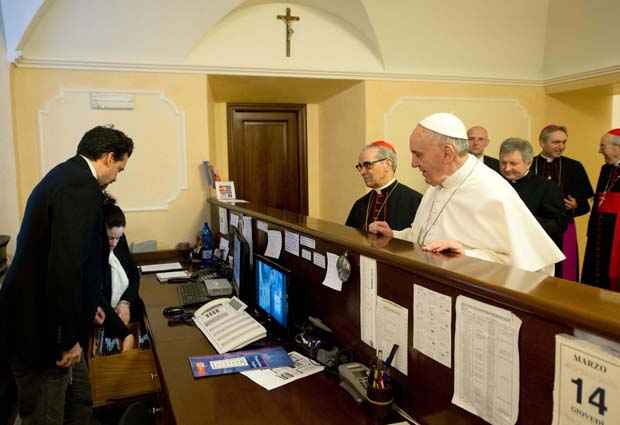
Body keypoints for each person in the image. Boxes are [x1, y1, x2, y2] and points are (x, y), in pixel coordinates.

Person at [0, 126, 133, 425]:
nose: (116, 176)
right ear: (109, 158)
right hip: (41, 332)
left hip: (49, 321)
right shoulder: (80, 188)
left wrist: (92, 309)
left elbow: (80, 265)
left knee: (80, 402)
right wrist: (67, 339)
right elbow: (64, 268)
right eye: (120, 169)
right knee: (47, 414)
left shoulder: (66, 176)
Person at [369, 112, 564, 275]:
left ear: (447, 153)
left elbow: (531, 266)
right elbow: (426, 237)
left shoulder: (491, 191)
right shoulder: (437, 185)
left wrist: (467, 255)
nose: (413, 163)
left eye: (418, 154)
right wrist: (395, 235)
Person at [532, 125, 594, 280]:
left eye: (564, 142)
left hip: (564, 226)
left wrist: (576, 206)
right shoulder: (530, 164)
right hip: (535, 227)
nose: (561, 147)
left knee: (565, 273)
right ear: (542, 142)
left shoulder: (574, 167)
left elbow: (585, 206)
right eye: (556, 142)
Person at [498, 138, 567, 249]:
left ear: (528, 163)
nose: (507, 168)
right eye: (503, 163)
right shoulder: (494, 182)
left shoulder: (547, 187)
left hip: (533, 250)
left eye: (513, 163)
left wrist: (522, 222)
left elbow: (558, 224)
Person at [346, 140, 422, 231]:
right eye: (360, 166)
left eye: (367, 165)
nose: (362, 172)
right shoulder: (360, 204)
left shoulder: (414, 201)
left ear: (387, 164)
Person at [100, 196, 142, 352]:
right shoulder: (95, 253)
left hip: (125, 310)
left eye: (118, 238)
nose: (114, 243)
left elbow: (133, 274)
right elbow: (99, 297)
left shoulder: (118, 239)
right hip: (108, 319)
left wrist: (125, 302)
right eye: (110, 238)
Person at [582, 128, 620, 291]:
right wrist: (591, 231)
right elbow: (599, 200)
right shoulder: (606, 169)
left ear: (617, 148)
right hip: (599, 233)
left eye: (603, 146)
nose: (599, 151)